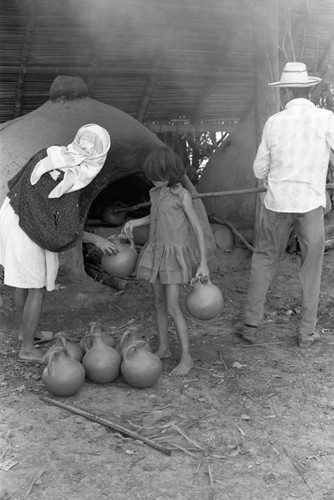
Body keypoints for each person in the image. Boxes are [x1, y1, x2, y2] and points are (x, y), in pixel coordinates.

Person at [0, 124, 119, 363]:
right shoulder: (73, 177)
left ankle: (28, 332)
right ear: (99, 155)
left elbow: (18, 182)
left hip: (12, 214)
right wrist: (95, 238)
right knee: (36, 286)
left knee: (22, 282)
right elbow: (64, 229)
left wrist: (36, 207)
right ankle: (26, 349)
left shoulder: (48, 153)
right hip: (27, 229)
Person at [235, 62, 334, 348]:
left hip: (277, 204)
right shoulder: (326, 118)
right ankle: (306, 332)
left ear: (286, 92)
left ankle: (251, 325)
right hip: (310, 204)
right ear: (309, 89)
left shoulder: (274, 122)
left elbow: (258, 170)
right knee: (311, 267)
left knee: (264, 260)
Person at [122, 147, 210, 375]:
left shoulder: (183, 196)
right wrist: (136, 222)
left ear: (169, 172)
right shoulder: (155, 193)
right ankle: (163, 348)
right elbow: (157, 215)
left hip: (175, 257)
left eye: (156, 175)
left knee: (173, 306)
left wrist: (203, 263)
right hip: (157, 253)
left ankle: (187, 358)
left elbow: (198, 229)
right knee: (159, 303)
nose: (152, 179)